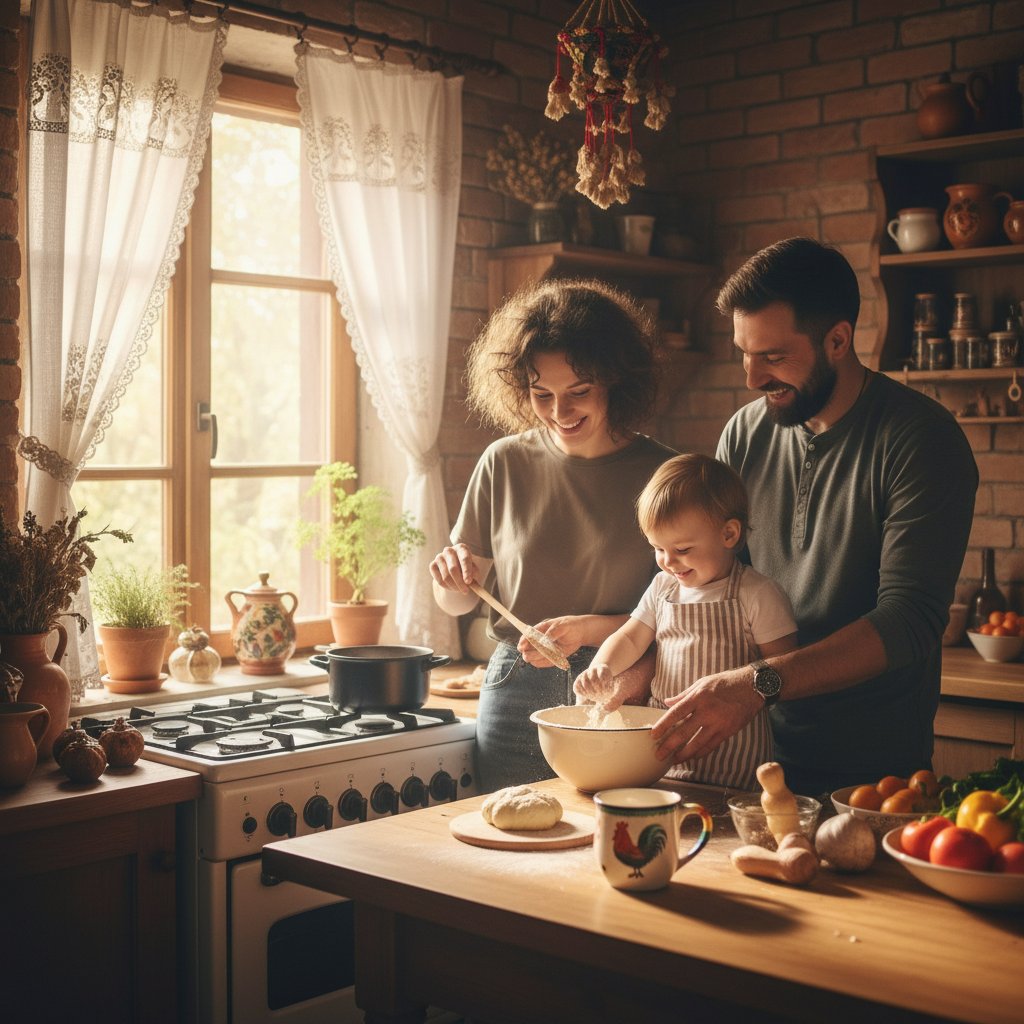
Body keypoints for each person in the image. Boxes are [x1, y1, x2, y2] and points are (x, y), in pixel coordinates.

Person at [649, 237, 978, 796]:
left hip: (871, 772)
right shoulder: (744, 433)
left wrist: (759, 683)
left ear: (837, 340)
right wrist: (631, 663)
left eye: (773, 357)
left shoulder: (922, 438)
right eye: (744, 354)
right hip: (748, 758)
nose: (752, 378)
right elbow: (712, 578)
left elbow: (911, 619)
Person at [429, 277, 675, 792]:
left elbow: (686, 611)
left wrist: (590, 629)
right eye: (542, 395)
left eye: (579, 393)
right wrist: (452, 576)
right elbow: (455, 605)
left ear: (616, 380)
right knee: (511, 843)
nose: (560, 414)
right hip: (514, 687)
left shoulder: (665, 475)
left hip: (624, 686)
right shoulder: (504, 462)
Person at [573, 453, 798, 790]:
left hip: (733, 759)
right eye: (657, 548)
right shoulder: (663, 587)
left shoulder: (757, 594)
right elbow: (631, 637)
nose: (668, 561)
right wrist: (603, 668)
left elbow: (783, 667)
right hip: (659, 758)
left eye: (682, 549)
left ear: (729, 534)